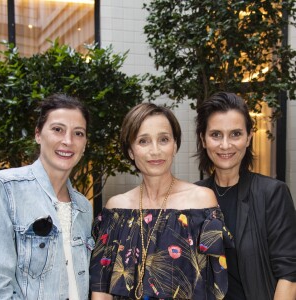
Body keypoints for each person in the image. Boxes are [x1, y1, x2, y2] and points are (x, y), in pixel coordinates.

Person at [90, 102, 233, 300]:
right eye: (143, 141)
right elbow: (101, 287)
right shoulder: (116, 210)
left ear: (175, 145)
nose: (155, 150)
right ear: (131, 151)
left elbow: (214, 285)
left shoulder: (201, 202)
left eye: (163, 139)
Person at [195, 91, 296, 300]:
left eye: (235, 134)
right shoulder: (193, 196)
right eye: (216, 135)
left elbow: (289, 276)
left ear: (249, 137)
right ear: (203, 140)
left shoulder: (271, 193)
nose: (225, 145)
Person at [0, 94, 94, 299]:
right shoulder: (5, 189)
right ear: (38, 134)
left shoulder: (84, 207)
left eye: (78, 133)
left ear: (85, 144)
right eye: (58, 129)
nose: (68, 141)